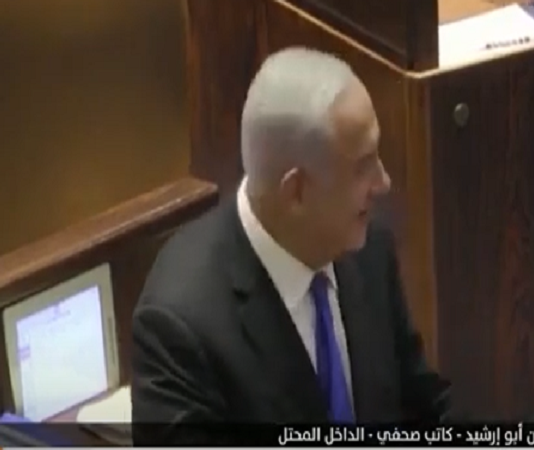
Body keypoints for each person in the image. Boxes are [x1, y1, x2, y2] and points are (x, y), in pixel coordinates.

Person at [130, 47, 450, 445]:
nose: (382, 182)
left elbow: (422, 407)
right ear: (296, 191)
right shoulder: (179, 328)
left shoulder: (367, 248)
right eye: (362, 166)